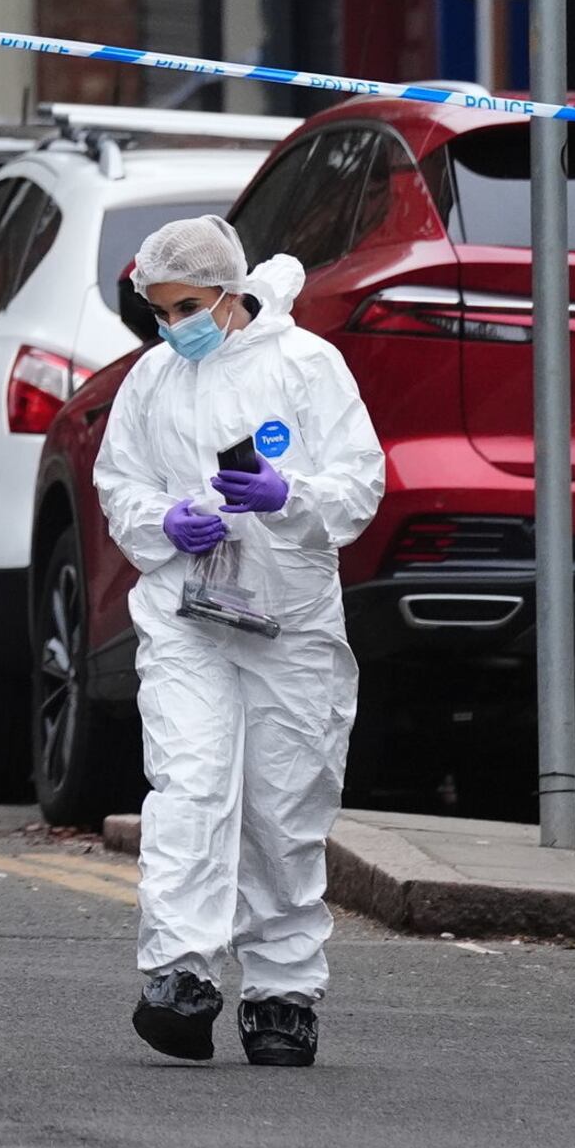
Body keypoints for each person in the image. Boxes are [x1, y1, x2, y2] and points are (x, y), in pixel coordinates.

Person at [96, 214, 385, 1069]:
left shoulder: (306, 367)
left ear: (229, 292)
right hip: (189, 619)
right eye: (157, 311)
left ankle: (282, 992)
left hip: (289, 625)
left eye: (185, 305)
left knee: (282, 809)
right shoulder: (153, 379)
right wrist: (162, 520)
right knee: (190, 788)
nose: (171, 325)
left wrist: (284, 496)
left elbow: (359, 487)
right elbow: (122, 484)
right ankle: (179, 975)